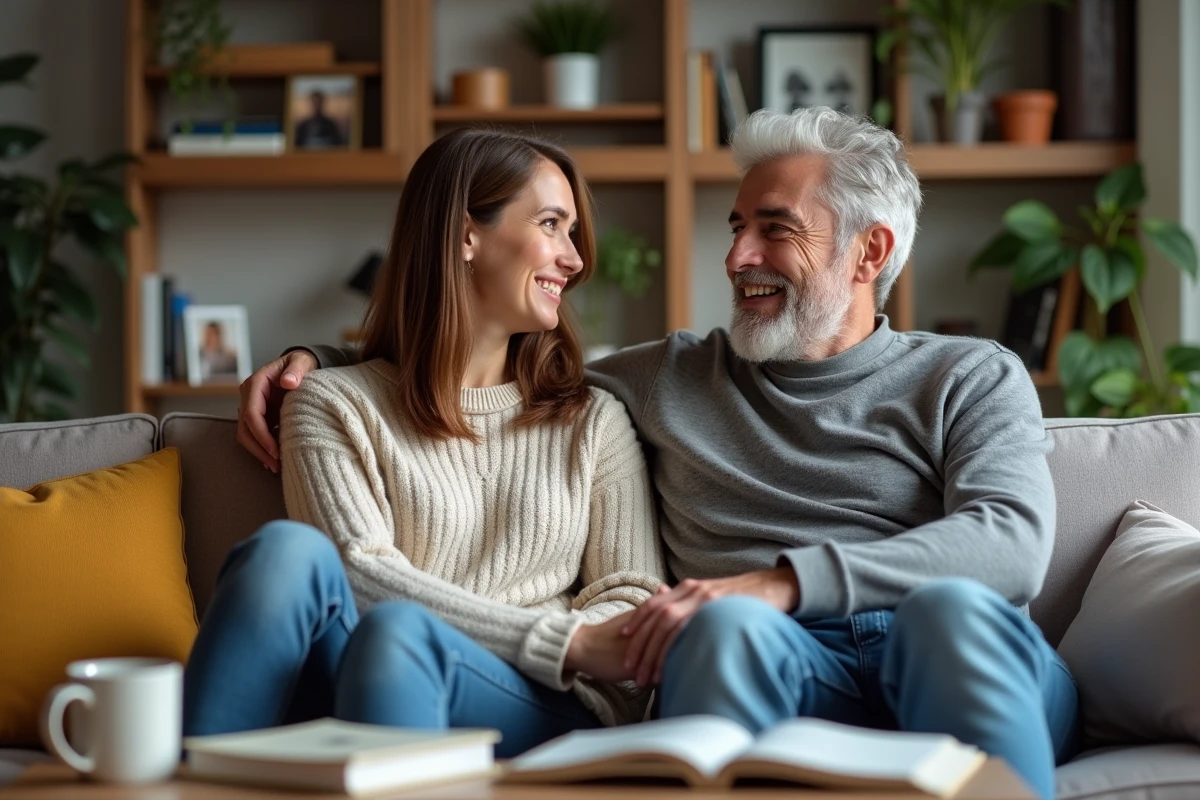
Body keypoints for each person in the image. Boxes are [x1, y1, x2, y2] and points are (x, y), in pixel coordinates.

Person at [237, 108, 1078, 799]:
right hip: (782, 661)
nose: (737, 256)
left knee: (951, 612)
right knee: (722, 630)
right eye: (737, 226)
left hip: (949, 650)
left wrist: (781, 582)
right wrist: (322, 362)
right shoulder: (673, 374)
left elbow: (1008, 543)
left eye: (773, 229)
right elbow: (483, 362)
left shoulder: (967, 374)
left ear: (871, 252)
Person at [185, 128, 666, 758]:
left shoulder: (593, 419)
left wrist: (563, 652)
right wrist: (560, 637)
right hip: (375, 673)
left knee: (399, 635)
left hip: (542, 699)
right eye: (552, 225)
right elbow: (359, 573)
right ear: (467, 235)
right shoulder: (334, 403)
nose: (575, 260)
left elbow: (633, 595)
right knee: (283, 554)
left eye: (572, 233)